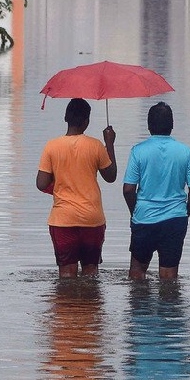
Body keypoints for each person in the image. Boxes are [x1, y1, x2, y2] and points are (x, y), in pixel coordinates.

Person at [36, 98, 117, 278]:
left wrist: (59, 181)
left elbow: (41, 183)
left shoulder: (51, 146)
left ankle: (67, 306)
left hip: (63, 220)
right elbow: (111, 176)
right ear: (87, 122)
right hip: (92, 219)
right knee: (90, 273)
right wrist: (109, 143)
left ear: (65, 118)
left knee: (66, 275)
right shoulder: (96, 145)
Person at [122, 101, 190, 281]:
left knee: (137, 273)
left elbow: (128, 189)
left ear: (148, 126)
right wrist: (184, 213)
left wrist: (135, 211)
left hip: (144, 218)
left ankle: (140, 309)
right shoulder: (185, 152)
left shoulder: (138, 151)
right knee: (169, 279)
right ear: (172, 125)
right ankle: (169, 309)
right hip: (175, 220)